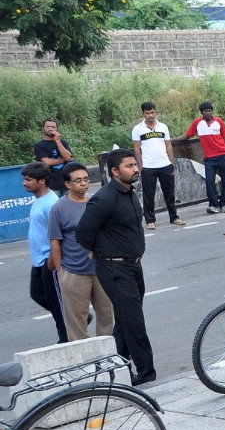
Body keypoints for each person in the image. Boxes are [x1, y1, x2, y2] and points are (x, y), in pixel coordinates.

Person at [75, 149, 156, 385]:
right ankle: (147, 374)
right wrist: (103, 251)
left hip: (133, 266)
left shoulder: (129, 192)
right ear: (114, 171)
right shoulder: (104, 198)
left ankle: (117, 369)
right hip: (114, 268)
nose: (135, 169)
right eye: (129, 166)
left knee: (124, 321)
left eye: (135, 164)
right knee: (134, 322)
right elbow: (83, 234)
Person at [47, 161, 113, 341]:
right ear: (67, 184)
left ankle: (106, 357)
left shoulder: (96, 202)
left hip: (101, 269)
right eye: (78, 180)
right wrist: (61, 272)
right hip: (74, 272)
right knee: (77, 322)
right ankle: (84, 363)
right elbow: (55, 243)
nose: (83, 183)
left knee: (106, 316)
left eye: (85, 179)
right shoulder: (59, 208)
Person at [23, 163, 68, 343]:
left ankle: (66, 338)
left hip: (49, 261)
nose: (24, 183)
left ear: (41, 181)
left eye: (28, 180)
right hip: (39, 261)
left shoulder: (51, 204)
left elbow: (59, 235)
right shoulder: (39, 200)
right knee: (37, 294)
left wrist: (52, 261)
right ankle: (73, 318)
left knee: (57, 304)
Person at [132, 101, 186, 230]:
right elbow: (136, 149)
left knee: (169, 193)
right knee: (148, 195)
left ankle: (174, 217)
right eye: (147, 113)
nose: (150, 115)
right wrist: (141, 166)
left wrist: (171, 164)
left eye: (152, 112)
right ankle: (150, 220)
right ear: (143, 114)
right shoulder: (138, 129)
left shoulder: (163, 127)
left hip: (165, 165)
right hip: (148, 167)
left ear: (156, 112)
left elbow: (168, 145)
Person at [185, 101, 225, 214]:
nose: (208, 113)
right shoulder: (197, 123)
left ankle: (224, 204)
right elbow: (187, 136)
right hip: (210, 158)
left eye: (209, 111)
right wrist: (172, 140)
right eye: (205, 111)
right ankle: (213, 205)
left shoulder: (219, 122)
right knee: (209, 181)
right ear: (202, 113)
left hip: (223, 154)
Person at [33, 118, 73, 196]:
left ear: (57, 129)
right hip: (51, 183)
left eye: (53, 127)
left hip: (67, 181)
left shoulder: (63, 143)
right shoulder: (39, 145)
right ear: (43, 129)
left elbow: (68, 157)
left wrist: (57, 141)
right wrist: (63, 159)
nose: (50, 129)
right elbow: (47, 162)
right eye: (47, 127)